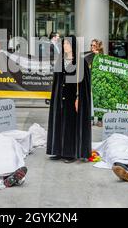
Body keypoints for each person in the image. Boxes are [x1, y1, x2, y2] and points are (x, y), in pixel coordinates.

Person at [47, 35, 92, 163]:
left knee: (70, 125)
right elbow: (56, 82)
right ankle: (58, 151)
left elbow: (84, 84)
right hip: (61, 98)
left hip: (73, 99)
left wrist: (79, 99)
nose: (65, 46)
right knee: (59, 123)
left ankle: (70, 153)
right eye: (64, 44)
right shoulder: (60, 61)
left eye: (67, 44)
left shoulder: (80, 62)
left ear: (73, 45)